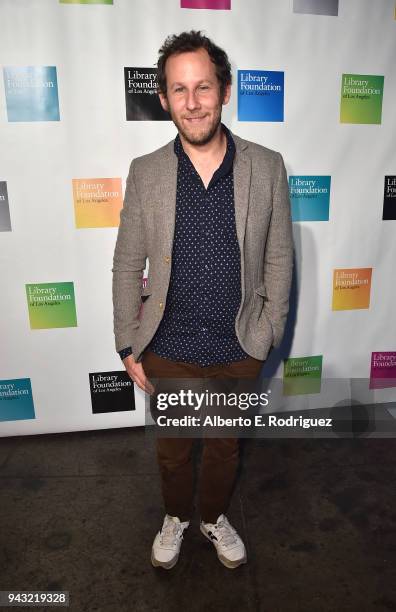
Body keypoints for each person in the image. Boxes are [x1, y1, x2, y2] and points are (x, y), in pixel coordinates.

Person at [112, 30, 293, 570]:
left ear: (225, 91)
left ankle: (213, 517)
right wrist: (128, 342)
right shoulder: (146, 173)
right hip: (168, 343)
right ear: (164, 99)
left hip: (239, 342)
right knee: (173, 450)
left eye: (204, 87)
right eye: (179, 90)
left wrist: (265, 338)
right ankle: (176, 516)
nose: (192, 103)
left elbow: (279, 259)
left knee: (223, 447)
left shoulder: (267, 166)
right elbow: (127, 263)